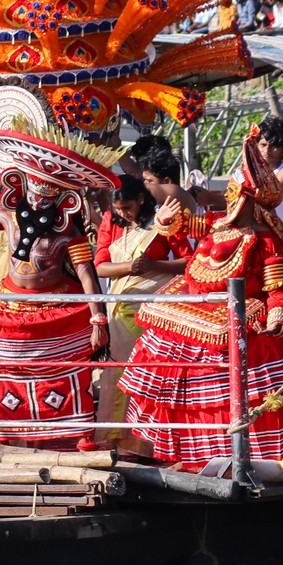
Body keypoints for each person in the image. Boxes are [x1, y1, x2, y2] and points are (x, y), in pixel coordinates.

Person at [121, 130, 283, 472]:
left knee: (231, 395)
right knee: (175, 386)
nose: (229, 198)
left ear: (250, 199)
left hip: (239, 322)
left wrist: (279, 312)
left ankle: (228, 457)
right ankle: (183, 453)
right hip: (192, 313)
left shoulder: (264, 239)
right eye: (231, 192)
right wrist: (164, 220)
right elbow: (183, 225)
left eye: (235, 193)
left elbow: (278, 285)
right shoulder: (218, 223)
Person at [0, 128, 115, 447]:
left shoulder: (69, 233)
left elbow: (87, 273)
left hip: (56, 308)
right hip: (6, 304)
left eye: (47, 197)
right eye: (35, 195)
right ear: (21, 187)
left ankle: (73, 434)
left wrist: (98, 319)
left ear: (62, 200)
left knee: (64, 371)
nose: (39, 201)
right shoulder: (5, 217)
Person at [92, 175, 186, 434]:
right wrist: (130, 268)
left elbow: (189, 261)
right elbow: (100, 267)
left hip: (153, 312)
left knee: (150, 371)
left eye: (129, 208)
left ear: (142, 199)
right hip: (121, 310)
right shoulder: (112, 222)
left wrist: (154, 266)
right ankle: (116, 436)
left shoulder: (163, 220)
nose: (124, 214)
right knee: (118, 372)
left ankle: (148, 438)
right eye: (118, 209)